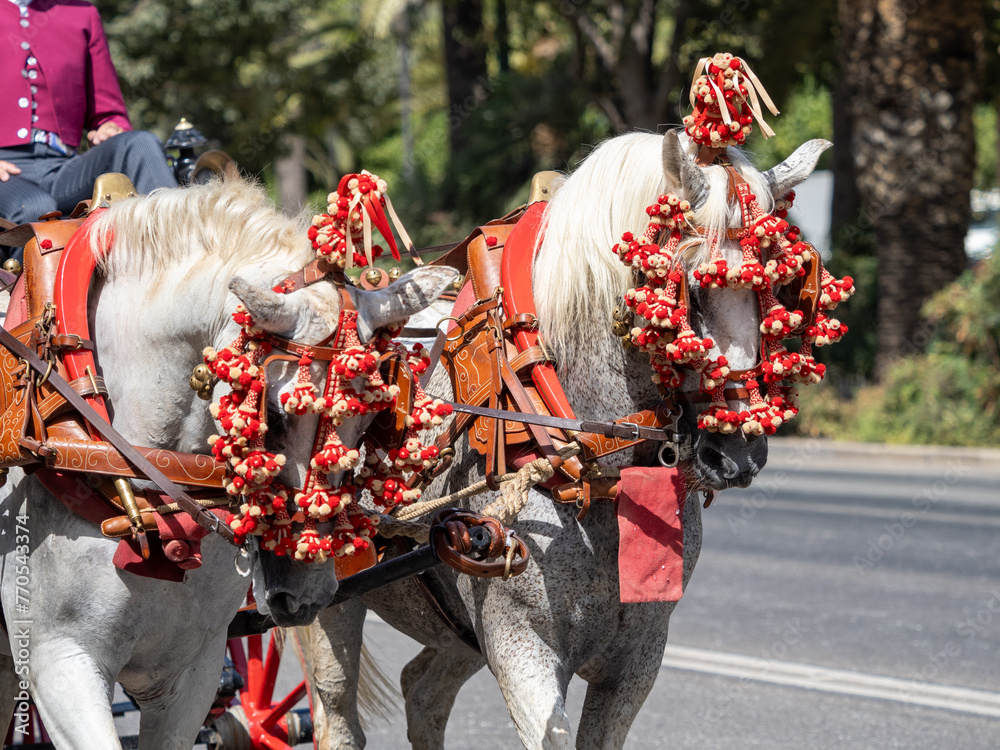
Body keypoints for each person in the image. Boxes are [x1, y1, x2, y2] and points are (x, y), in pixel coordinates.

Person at [0, 0, 177, 227]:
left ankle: (183, 248)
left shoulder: (83, 14)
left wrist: (110, 126)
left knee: (140, 144)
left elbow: (108, 111)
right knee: (34, 207)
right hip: (5, 167)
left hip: (62, 166)